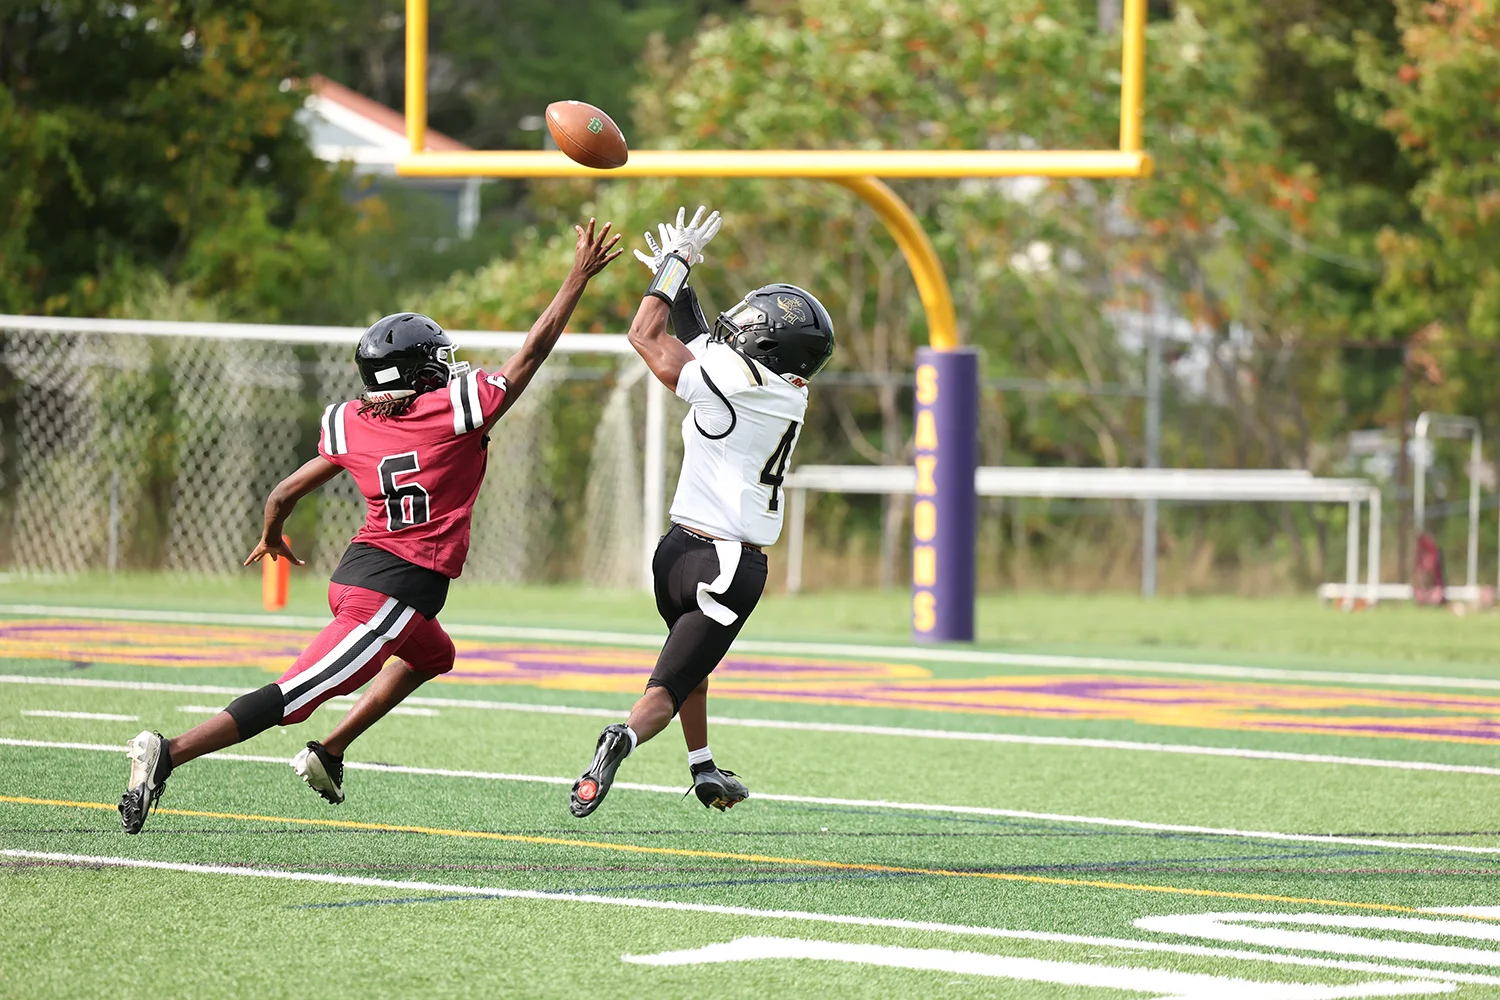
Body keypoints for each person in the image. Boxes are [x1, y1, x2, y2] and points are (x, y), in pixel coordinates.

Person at [119, 218, 623, 834]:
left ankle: (329, 753)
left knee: (433, 655)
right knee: (294, 697)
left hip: (364, 574)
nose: (449, 368)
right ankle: (167, 753)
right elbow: (534, 350)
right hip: (391, 593)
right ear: (419, 371)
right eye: (439, 361)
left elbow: (284, 491)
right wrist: (577, 275)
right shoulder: (453, 411)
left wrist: (273, 532)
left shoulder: (352, 420)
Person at [569, 207, 835, 817]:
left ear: (763, 343)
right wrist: (678, 278)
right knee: (669, 684)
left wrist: (674, 271)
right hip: (730, 564)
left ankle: (702, 767)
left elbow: (648, 337)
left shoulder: (735, 382)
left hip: (677, 555)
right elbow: (702, 348)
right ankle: (622, 739)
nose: (735, 325)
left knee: (686, 667)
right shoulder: (780, 391)